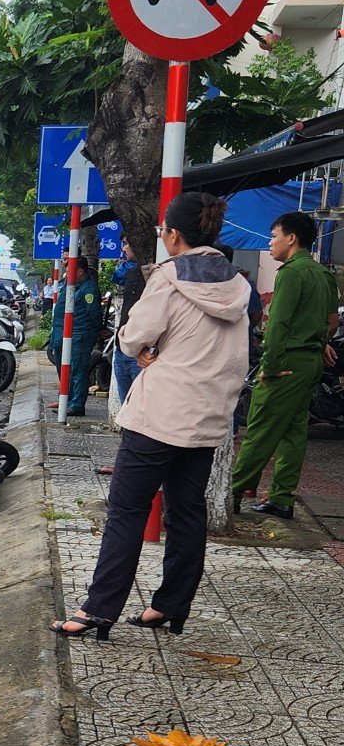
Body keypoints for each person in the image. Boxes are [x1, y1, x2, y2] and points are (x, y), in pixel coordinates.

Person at [50, 192, 250, 641]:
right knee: (187, 512)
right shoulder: (237, 284)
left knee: (126, 511)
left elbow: (134, 337)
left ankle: (99, 610)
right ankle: (170, 607)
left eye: (163, 230)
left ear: (174, 234)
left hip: (160, 416)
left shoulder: (169, 277)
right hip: (208, 418)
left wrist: (143, 347)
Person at [231, 212, 338, 519]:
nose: (270, 242)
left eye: (274, 236)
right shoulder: (323, 273)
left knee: (261, 429)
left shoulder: (291, 273)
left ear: (291, 239)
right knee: (294, 431)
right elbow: (331, 322)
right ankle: (281, 497)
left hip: (287, 361)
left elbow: (277, 325)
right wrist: (318, 342)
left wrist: (270, 365)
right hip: (311, 361)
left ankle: (232, 492)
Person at [47, 256, 101, 416]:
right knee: (64, 369)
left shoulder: (88, 289)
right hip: (62, 334)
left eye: (70, 270)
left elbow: (94, 315)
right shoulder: (71, 285)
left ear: (80, 271)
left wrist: (97, 331)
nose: (66, 273)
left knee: (77, 370)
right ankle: (66, 399)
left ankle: (76, 404)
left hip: (79, 335)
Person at [111, 235, 145, 403]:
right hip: (122, 349)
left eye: (127, 243)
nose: (124, 248)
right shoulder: (130, 272)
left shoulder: (154, 275)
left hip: (140, 353)